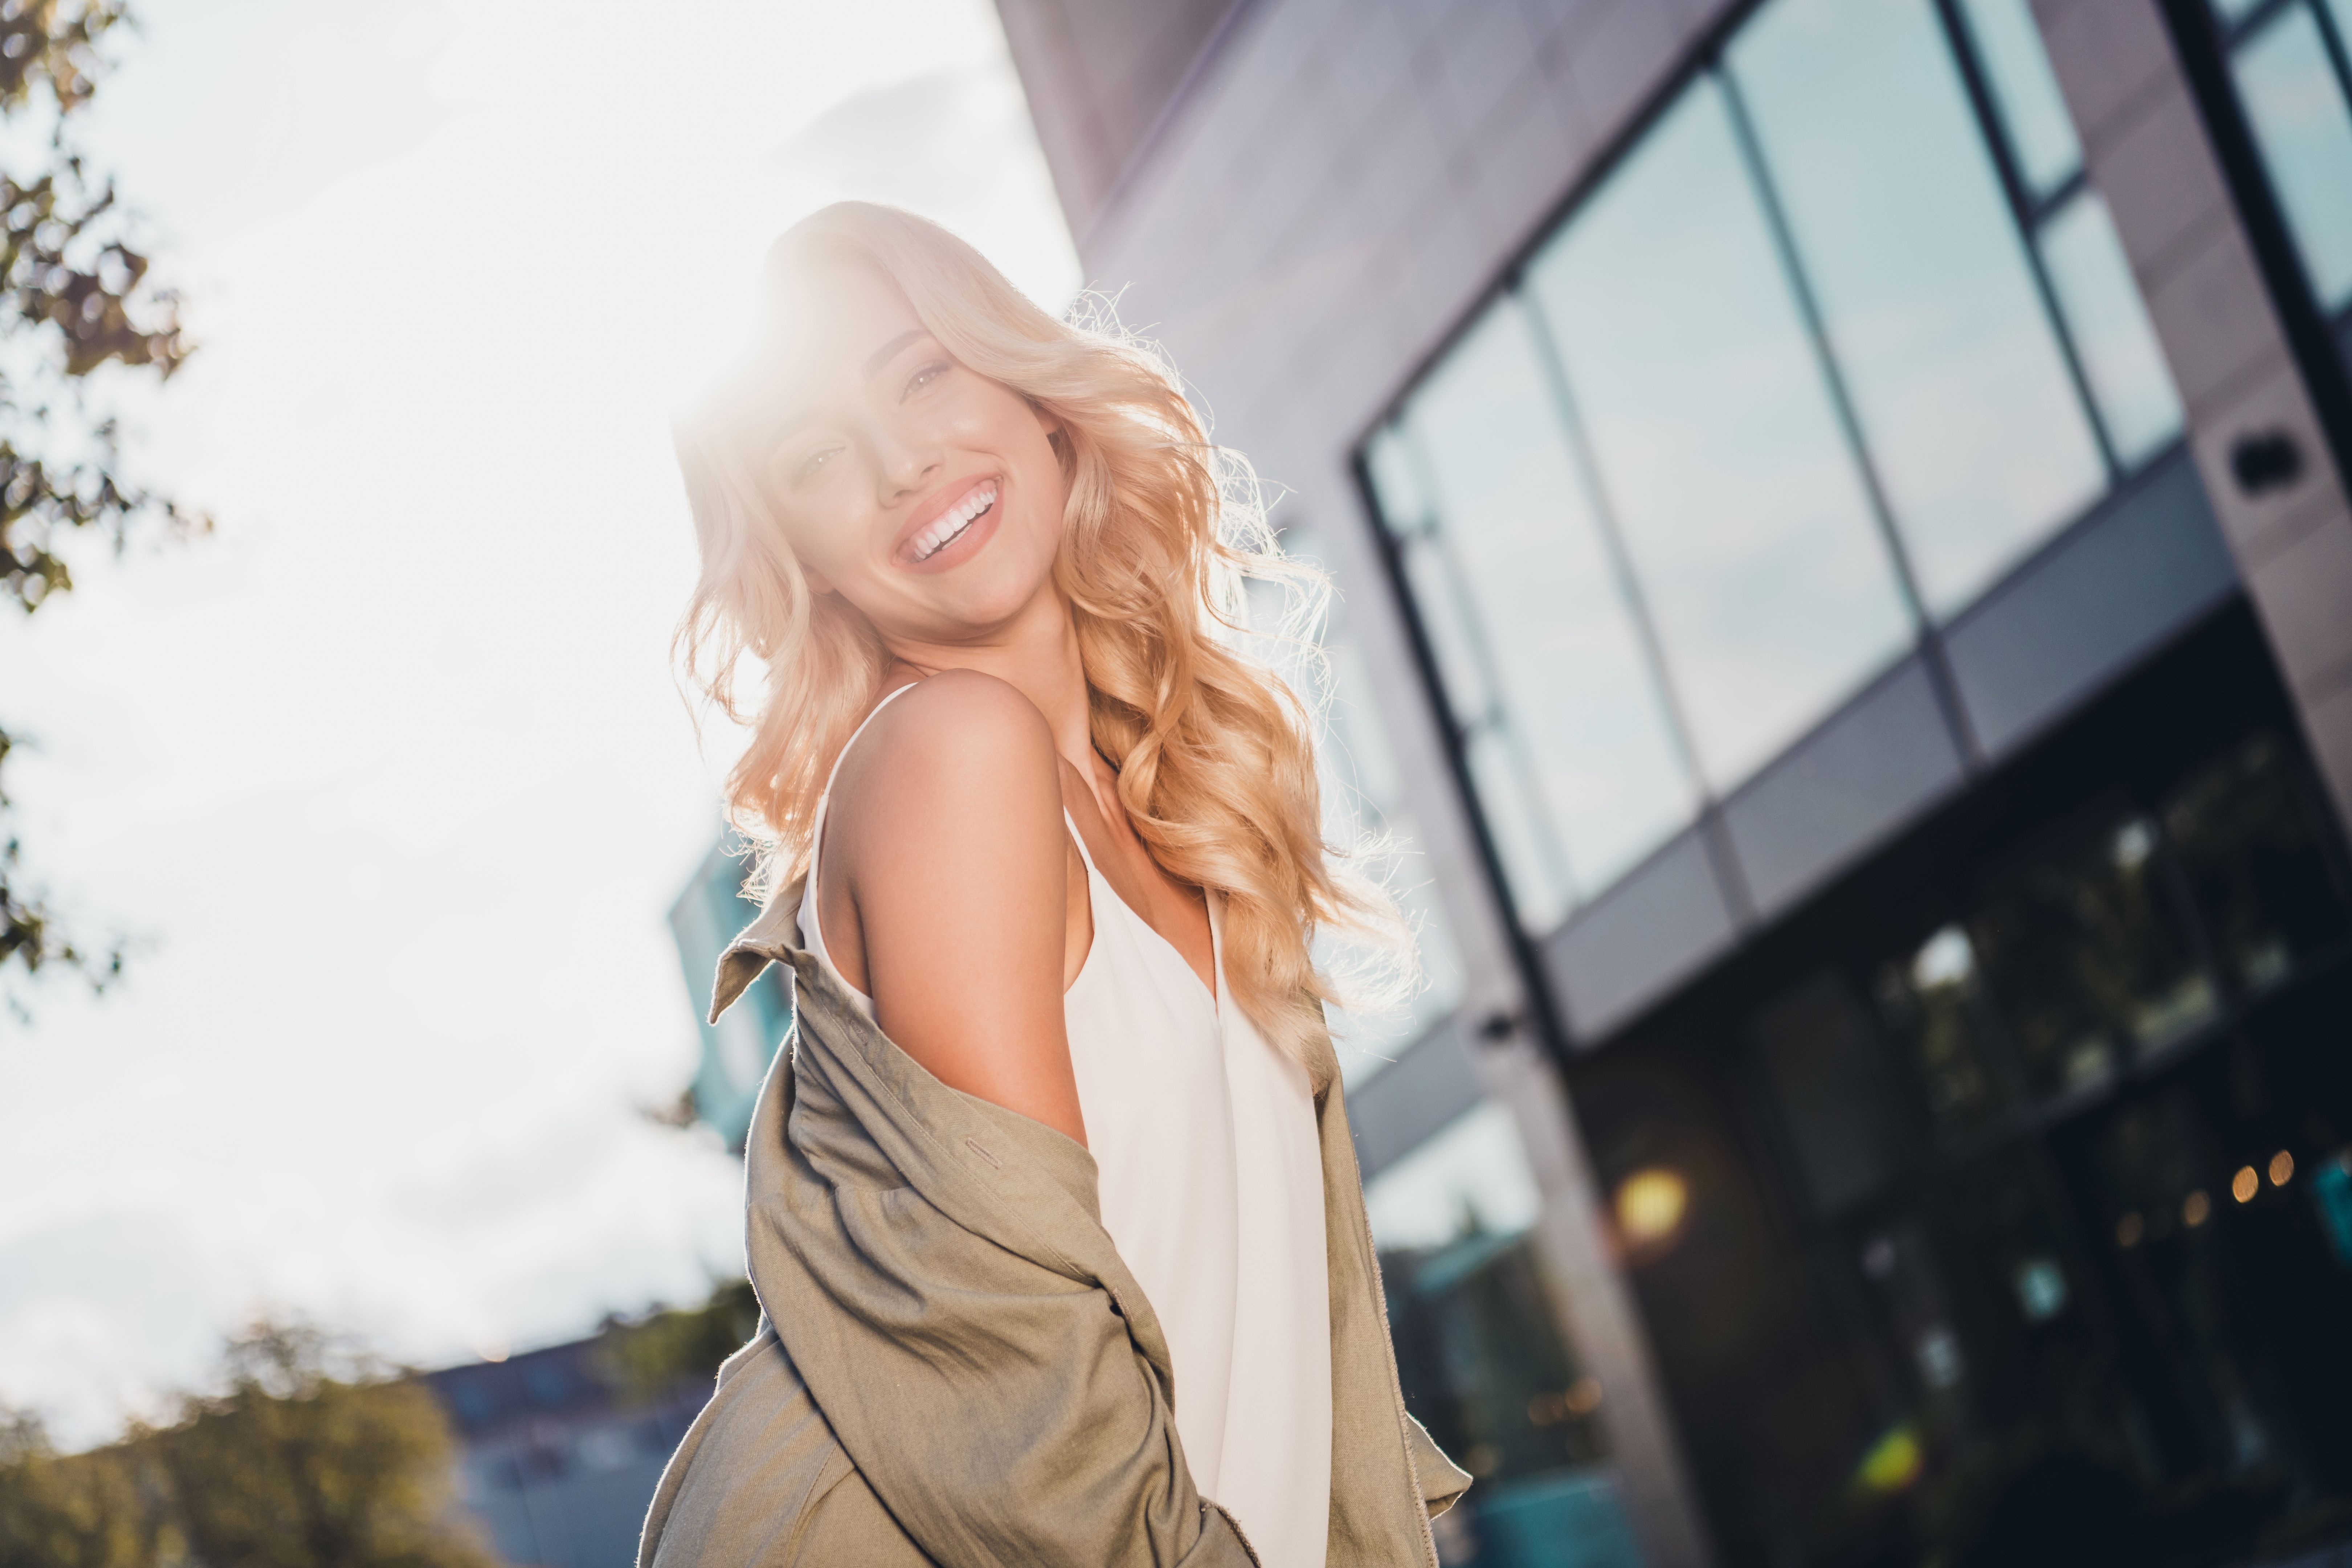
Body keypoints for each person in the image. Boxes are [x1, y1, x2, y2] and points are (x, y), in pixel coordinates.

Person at [641, 201, 1467, 1568]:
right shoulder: (946, 756)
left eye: (924, 373)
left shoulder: (1177, 815)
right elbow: (1040, 1399)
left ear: (1034, 394)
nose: (903, 462)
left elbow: (1287, 1361)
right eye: (817, 456)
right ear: (796, 556)